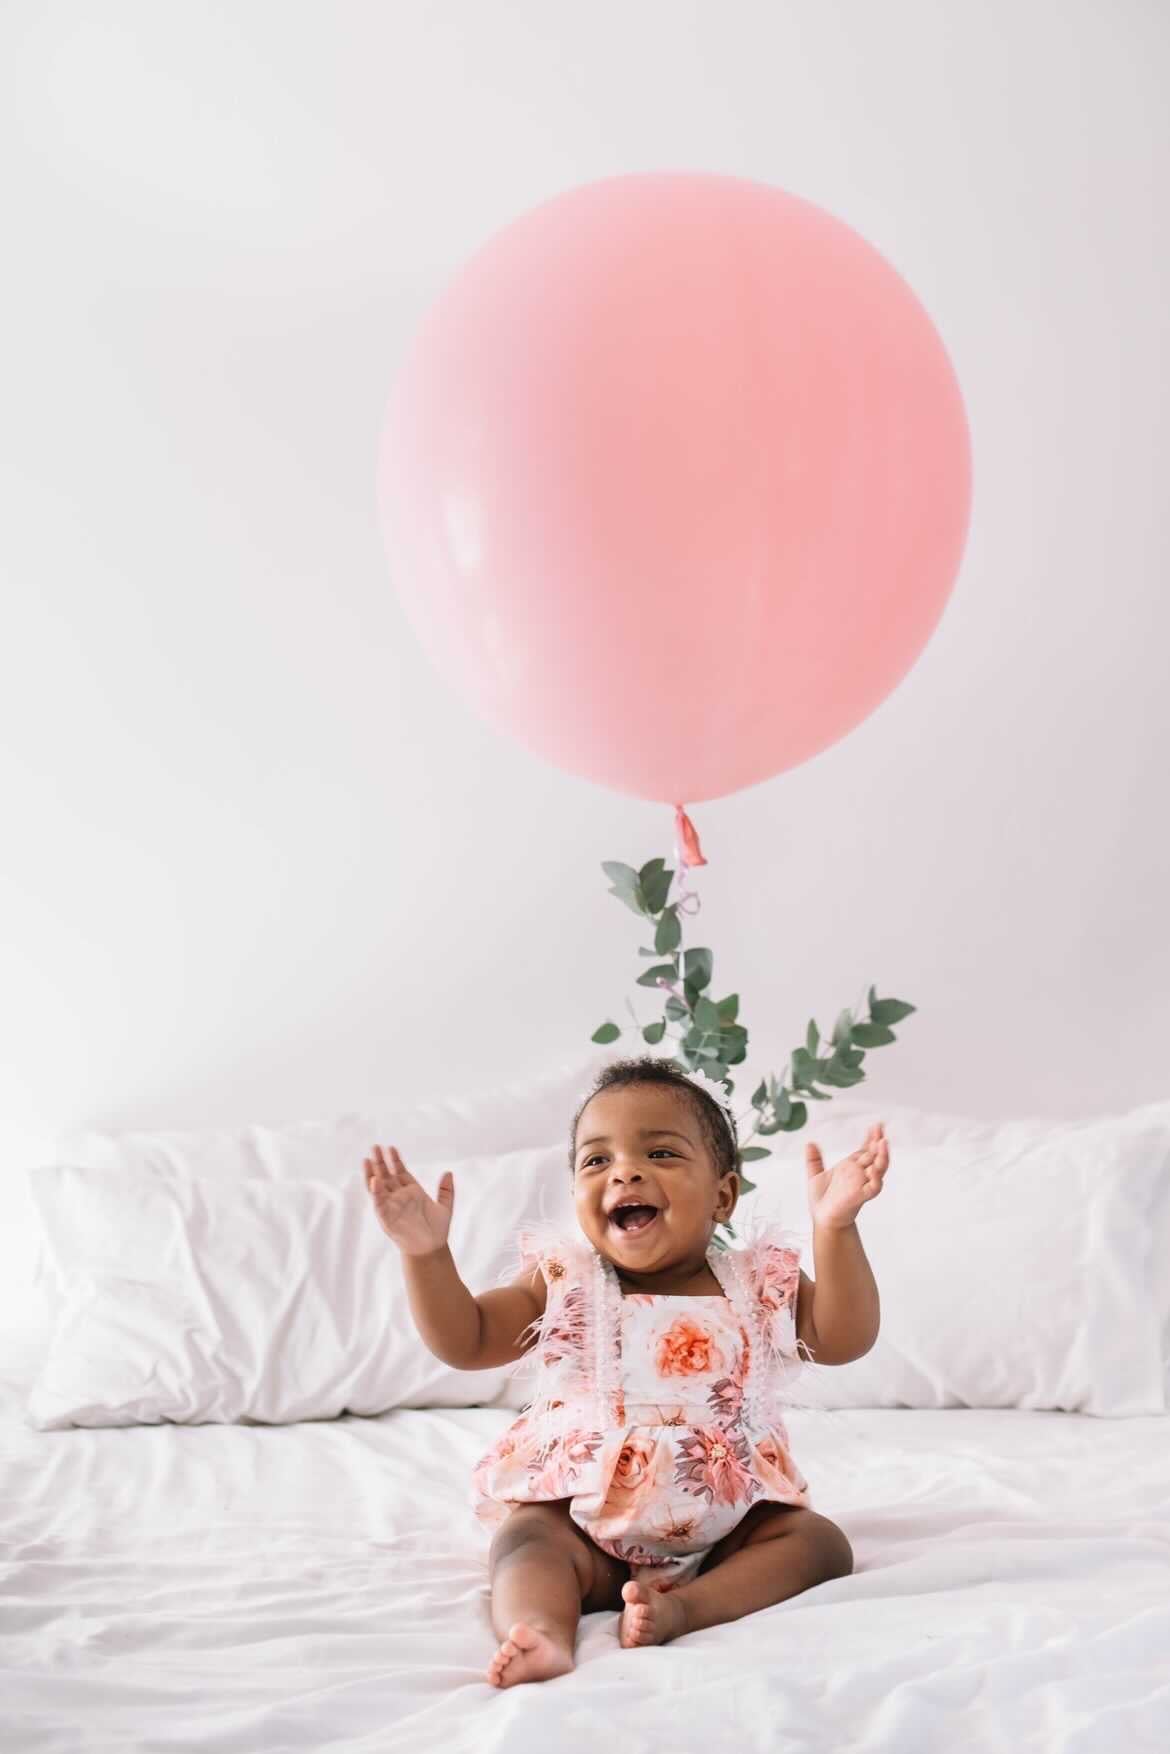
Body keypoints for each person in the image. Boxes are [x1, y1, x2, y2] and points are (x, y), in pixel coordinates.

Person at [363, 1055, 887, 1688]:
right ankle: (543, 1633)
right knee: (527, 1540)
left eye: (662, 1154)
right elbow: (467, 1340)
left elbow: (842, 1338)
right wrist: (425, 1255)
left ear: (723, 1196)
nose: (626, 1171)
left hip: (726, 1526)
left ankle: (685, 1608)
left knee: (819, 1544)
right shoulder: (565, 1281)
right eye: (596, 1160)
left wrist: (836, 1227)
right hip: (585, 1527)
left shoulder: (757, 1281)